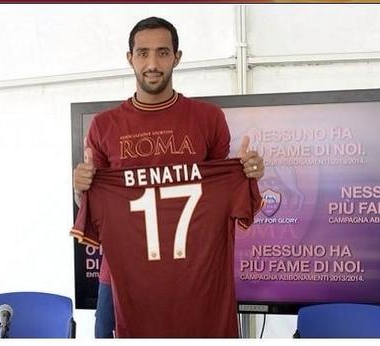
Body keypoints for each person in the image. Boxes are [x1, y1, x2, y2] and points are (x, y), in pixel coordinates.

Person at [72, 16, 264, 338]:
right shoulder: (103, 126)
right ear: (129, 57)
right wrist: (82, 188)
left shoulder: (208, 118)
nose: (152, 63)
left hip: (194, 279)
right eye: (143, 53)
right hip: (121, 278)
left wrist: (247, 173)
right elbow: (93, 206)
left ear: (177, 57)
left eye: (162, 53)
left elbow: (217, 193)